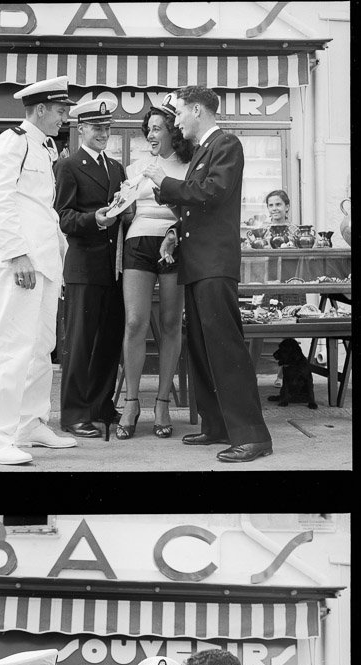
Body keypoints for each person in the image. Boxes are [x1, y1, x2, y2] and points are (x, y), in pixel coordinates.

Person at [142, 85, 273, 463]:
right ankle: (217, 425)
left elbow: (212, 192)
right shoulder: (204, 150)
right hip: (198, 262)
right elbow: (198, 207)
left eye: (180, 113)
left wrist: (163, 182)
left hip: (214, 264)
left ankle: (252, 436)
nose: (176, 121)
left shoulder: (226, 144)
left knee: (225, 348)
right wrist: (173, 235)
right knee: (202, 347)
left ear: (198, 110)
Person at [0, 76, 77, 465]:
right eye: (60, 111)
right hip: (23, 262)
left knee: (39, 346)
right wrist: (17, 254)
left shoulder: (45, 147)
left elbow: (39, 209)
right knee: (10, 346)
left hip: (46, 263)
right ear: (40, 110)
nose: (64, 118)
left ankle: (29, 423)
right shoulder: (13, 141)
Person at [115, 94, 193, 440]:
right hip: (138, 242)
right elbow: (128, 213)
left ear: (173, 131)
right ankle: (132, 402)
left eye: (157, 128)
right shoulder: (134, 169)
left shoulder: (187, 167)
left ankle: (162, 402)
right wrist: (122, 205)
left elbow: (191, 212)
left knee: (170, 323)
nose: (150, 134)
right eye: (147, 129)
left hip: (173, 243)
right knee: (135, 322)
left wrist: (175, 229)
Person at [54, 99, 126, 439]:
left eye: (107, 127)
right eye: (97, 128)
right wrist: (94, 219)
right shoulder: (68, 166)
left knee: (109, 342)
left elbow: (123, 208)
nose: (104, 134)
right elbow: (64, 217)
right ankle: (74, 413)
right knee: (80, 343)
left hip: (114, 268)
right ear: (81, 129)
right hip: (84, 266)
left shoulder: (117, 168)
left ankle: (100, 405)